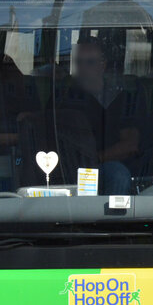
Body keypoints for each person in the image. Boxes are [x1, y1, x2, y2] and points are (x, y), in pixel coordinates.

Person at [53, 36, 139, 193]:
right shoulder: (62, 96)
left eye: (90, 62)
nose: (83, 68)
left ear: (103, 65)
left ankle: (113, 218)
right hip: (65, 167)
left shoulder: (120, 98)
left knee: (118, 174)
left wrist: (95, 159)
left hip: (104, 166)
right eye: (78, 62)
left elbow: (130, 145)